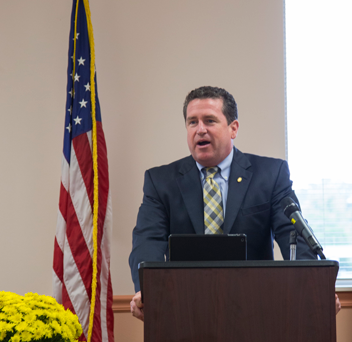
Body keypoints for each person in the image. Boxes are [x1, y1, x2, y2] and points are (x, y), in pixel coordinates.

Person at [129, 86, 341, 319]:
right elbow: (148, 240)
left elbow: (293, 233)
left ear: (233, 128)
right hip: (184, 311)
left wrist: (314, 287)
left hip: (257, 310)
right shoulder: (161, 181)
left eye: (209, 120)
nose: (200, 130)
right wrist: (146, 289)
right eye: (192, 122)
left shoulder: (270, 174)